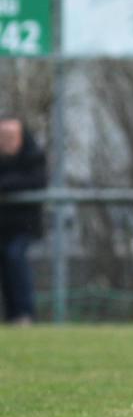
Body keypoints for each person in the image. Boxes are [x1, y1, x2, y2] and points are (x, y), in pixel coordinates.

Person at [0, 116, 47, 325]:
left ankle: (25, 314)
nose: (6, 140)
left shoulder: (33, 156)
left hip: (23, 228)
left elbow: (36, 181)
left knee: (15, 257)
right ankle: (12, 316)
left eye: (10, 135)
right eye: (2, 136)